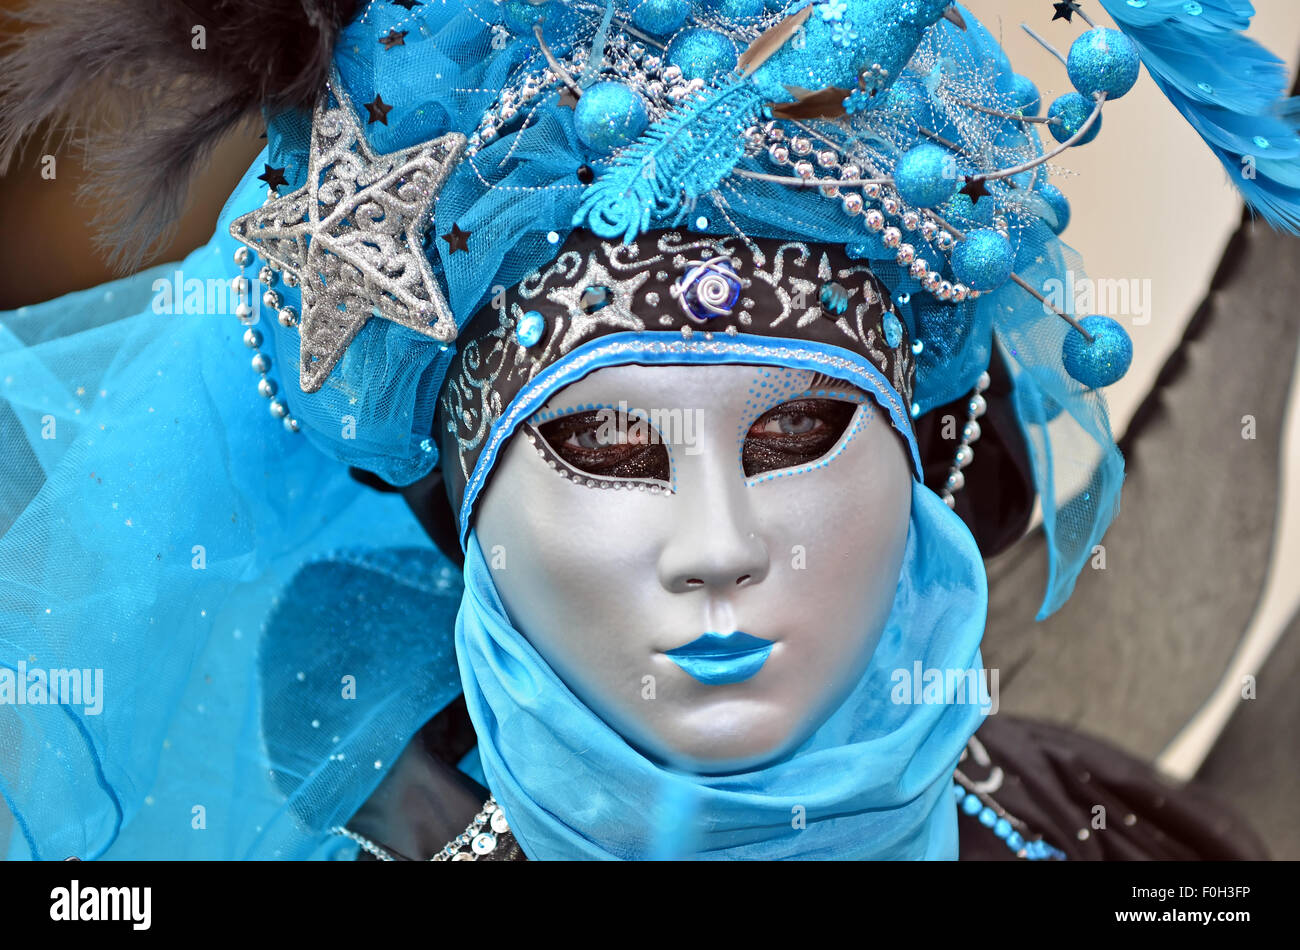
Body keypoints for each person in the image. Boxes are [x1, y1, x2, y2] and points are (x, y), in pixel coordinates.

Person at [0, 0, 1289, 860]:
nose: (719, 548)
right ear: (467, 506)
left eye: (798, 433)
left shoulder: (1113, 839)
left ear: (918, 452)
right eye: (608, 448)